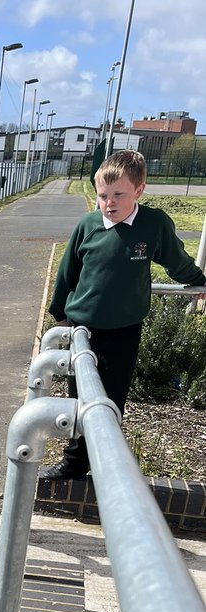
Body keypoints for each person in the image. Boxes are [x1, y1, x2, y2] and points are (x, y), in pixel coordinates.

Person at [43, 149, 206, 479]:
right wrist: (60, 315)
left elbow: (176, 260)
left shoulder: (153, 224)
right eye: (103, 195)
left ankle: (106, 465)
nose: (109, 203)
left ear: (139, 190)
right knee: (79, 397)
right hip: (82, 328)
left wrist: (199, 281)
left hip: (124, 330)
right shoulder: (88, 226)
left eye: (118, 194)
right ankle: (75, 462)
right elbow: (67, 272)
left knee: (112, 400)